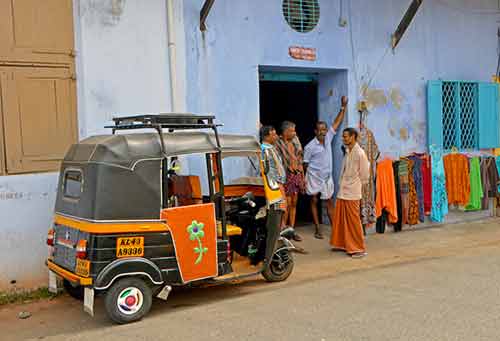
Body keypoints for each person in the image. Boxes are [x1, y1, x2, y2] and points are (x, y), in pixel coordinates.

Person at [303, 96, 348, 239]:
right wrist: (305, 180)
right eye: (320, 130)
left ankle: (335, 229)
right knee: (314, 200)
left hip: (327, 178)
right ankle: (317, 228)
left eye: (324, 129)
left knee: (329, 201)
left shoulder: (329, 137)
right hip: (314, 177)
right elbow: (305, 163)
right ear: (315, 131)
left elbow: (337, 122)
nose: (323, 131)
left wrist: (343, 107)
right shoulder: (310, 146)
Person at [330, 127, 370, 258]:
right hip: (343, 190)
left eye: (346, 136)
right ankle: (343, 244)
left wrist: (356, 186)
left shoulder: (360, 153)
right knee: (341, 219)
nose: (343, 138)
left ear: (353, 137)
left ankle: (358, 248)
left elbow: (365, 175)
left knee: (353, 221)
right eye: (343, 136)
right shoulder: (348, 151)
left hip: (353, 192)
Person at [275, 121, 306, 242]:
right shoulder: (278, 142)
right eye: (292, 131)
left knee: (294, 203)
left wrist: (302, 176)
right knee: (286, 205)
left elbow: (299, 159)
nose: (295, 133)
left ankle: (292, 230)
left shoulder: (295, 142)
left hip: (296, 174)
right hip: (285, 175)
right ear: (286, 132)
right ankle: (284, 230)